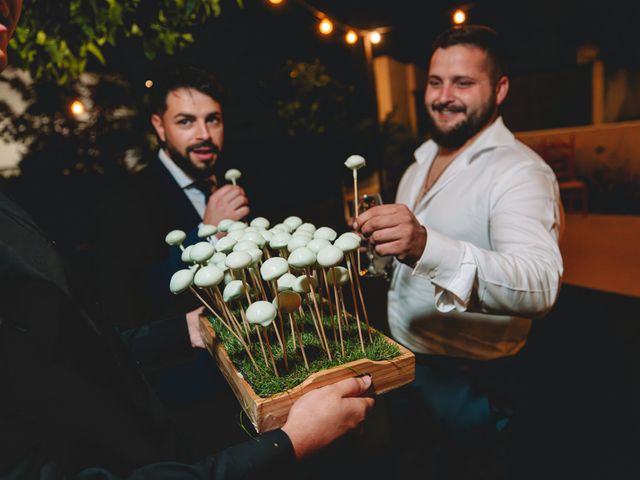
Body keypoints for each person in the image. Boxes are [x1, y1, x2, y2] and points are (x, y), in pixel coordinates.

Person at [0, 2, 375, 478]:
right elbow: (118, 306)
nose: (204, 134)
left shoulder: (242, 184)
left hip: (258, 377)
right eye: (186, 121)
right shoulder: (124, 199)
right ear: (159, 127)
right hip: (179, 403)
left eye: (213, 120)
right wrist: (202, 232)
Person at [354, 25, 564, 478]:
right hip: (407, 364)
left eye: (463, 83)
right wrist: (378, 244)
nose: (444, 96)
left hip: (470, 383)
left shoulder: (520, 172)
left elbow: (540, 283)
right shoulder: (422, 158)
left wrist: (426, 244)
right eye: (435, 82)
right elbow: (405, 262)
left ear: (500, 88)